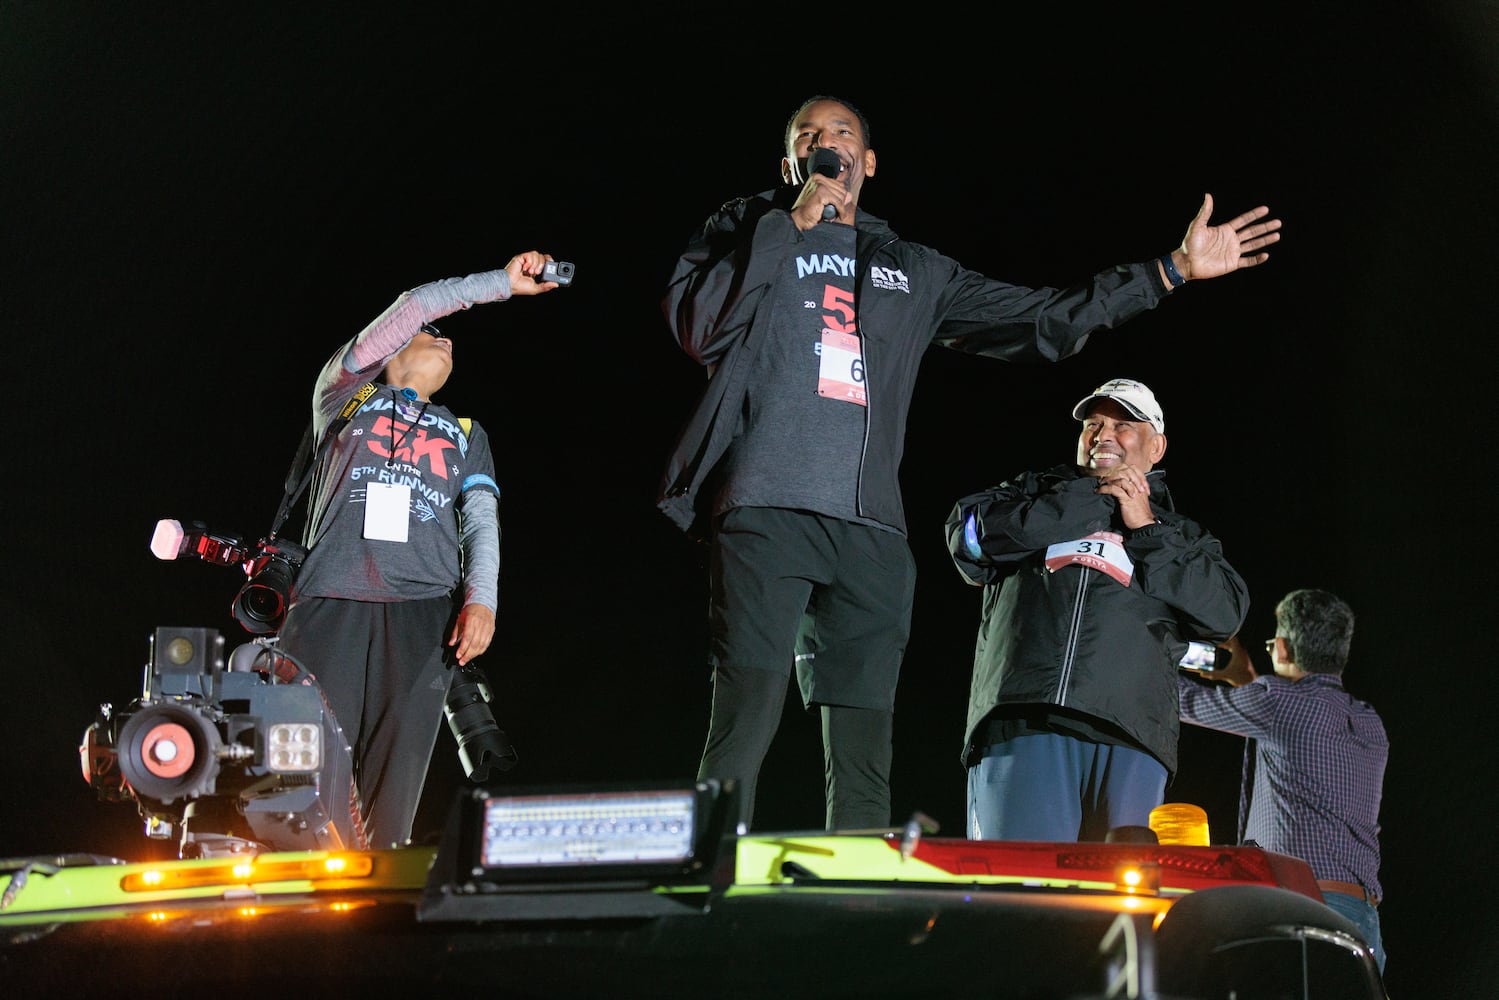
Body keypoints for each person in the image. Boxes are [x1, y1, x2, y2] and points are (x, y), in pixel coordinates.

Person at [657, 92, 1280, 832]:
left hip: (870, 532)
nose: (828, 143)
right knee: (745, 711)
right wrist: (786, 226)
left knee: (862, 746)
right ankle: (704, 867)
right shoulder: (744, 227)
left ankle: (857, 891)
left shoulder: (912, 269)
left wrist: (1169, 270)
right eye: (809, 135)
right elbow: (699, 327)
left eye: (843, 132)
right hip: (764, 504)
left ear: (871, 160)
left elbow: (1042, 320)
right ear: (790, 159)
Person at [274, 252, 563, 849]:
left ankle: (372, 916)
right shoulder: (343, 393)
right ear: (392, 352)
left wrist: (482, 601)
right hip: (331, 600)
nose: (445, 338)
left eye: (446, 337)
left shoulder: (465, 432)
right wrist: (498, 286)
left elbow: (482, 519)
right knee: (307, 781)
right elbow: (416, 306)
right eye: (431, 336)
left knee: (393, 795)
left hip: (423, 613)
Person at [945, 378, 1249, 842]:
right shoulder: (1031, 493)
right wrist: (1086, 499)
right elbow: (966, 539)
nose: (1103, 435)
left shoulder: (1180, 536)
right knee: (1021, 898)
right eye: (1093, 424)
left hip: (1130, 738)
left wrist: (1146, 527)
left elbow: (1224, 613)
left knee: (1120, 904)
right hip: (1024, 723)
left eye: (1123, 425)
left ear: (1157, 446)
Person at [1179, 589, 1388, 974]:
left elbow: (1182, 701)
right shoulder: (1370, 723)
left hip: (1303, 910)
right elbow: (1293, 738)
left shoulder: (1278, 702)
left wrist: (1157, 652)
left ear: (1285, 649)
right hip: (1363, 922)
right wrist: (1244, 679)